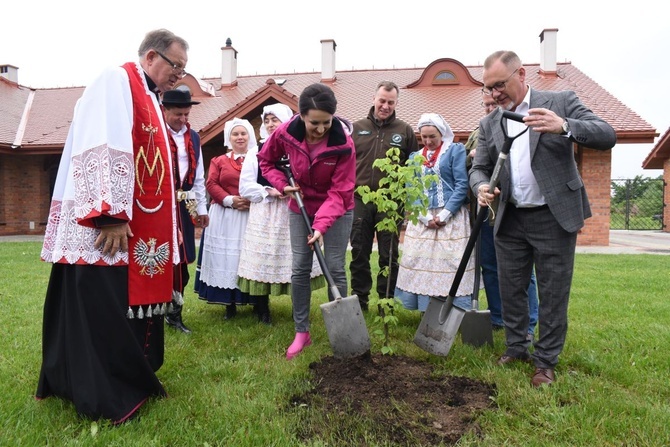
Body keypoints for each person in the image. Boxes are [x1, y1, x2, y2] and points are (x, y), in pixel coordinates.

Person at [36, 29, 189, 423]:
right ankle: (105, 389)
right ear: (153, 56)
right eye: (177, 67)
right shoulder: (115, 81)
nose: (180, 77)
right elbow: (101, 142)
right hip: (104, 231)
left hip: (129, 229)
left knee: (111, 309)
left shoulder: (148, 96)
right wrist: (110, 214)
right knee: (102, 309)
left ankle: (125, 376)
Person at [470, 50, 616, 387]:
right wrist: (480, 186)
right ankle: (516, 346)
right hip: (510, 217)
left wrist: (564, 126)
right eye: (489, 88)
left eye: (500, 85)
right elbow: (479, 167)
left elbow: (605, 134)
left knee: (552, 292)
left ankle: (545, 361)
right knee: (511, 288)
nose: (494, 94)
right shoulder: (490, 121)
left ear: (521, 74)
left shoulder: (560, 101)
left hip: (553, 216)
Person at [258, 83, 355, 360]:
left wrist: (321, 225)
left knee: (335, 266)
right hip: (299, 205)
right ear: (301, 116)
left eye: (327, 122)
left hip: (337, 208)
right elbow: (267, 162)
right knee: (300, 267)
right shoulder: (285, 133)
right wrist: (281, 184)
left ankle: (344, 329)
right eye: (315, 122)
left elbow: (341, 190)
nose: (321, 129)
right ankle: (302, 331)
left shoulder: (342, 143)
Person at [237, 104, 324, 324]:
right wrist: (270, 190)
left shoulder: (297, 146)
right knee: (264, 257)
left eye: (274, 120)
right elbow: (245, 186)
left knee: (295, 258)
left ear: (286, 121)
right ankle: (262, 308)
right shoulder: (254, 152)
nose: (269, 124)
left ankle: (299, 308)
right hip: (267, 212)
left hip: (293, 210)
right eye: (266, 120)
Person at [465, 94, 539, 340]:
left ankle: (528, 322)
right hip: (486, 209)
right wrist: (472, 157)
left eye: (493, 104)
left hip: (511, 208)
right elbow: (468, 167)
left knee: (522, 269)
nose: (489, 108)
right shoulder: (478, 132)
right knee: (490, 266)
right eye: (485, 104)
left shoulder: (516, 126)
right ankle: (498, 317)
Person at [349, 81, 419, 311]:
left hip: (391, 202)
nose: (385, 106)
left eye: (390, 102)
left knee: (389, 254)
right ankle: (360, 302)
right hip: (360, 199)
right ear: (374, 99)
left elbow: (413, 167)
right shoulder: (356, 128)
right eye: (382, 100)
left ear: (396, 103)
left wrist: (407, 201)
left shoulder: (405, 130)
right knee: (359, 251)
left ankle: (385, 302)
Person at [395, 113, 475, 312]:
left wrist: (445, 214)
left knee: (451, 264)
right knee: (422, 263)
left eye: (433, 136)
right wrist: (425, 217)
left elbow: (461, 185)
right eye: (425, 137)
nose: (429, 141)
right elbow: (411, 189)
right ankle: (427, 311)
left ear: (442, 134)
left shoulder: (454, 151)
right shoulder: (415, 158)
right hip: (423, 218)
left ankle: (455, 311)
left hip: (451, 216)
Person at [197, 118, 257, 319]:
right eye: (235, 134)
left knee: (252, 259)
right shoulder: (218, 161)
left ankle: (260, 304)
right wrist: (230, 200)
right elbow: (211, 183)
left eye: (243, 133)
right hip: (225, 216)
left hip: (252, 214)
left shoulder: (259, 158)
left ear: (250, 136)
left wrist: (251, 200)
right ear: (228, 138)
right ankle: (229, 304)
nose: (240, 137)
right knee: (228, 260)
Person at [163, 88, 209, 333]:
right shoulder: (155, 133)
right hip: (158, 206)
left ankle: (174, 314)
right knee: (160, 257)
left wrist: (201, 208)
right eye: (178, 114)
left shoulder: (194, 137)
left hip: (184, 206)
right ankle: (151, 311)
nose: (183, 119)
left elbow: (198, 176)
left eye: (186, 114)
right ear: (165, 110)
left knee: (182, 261)